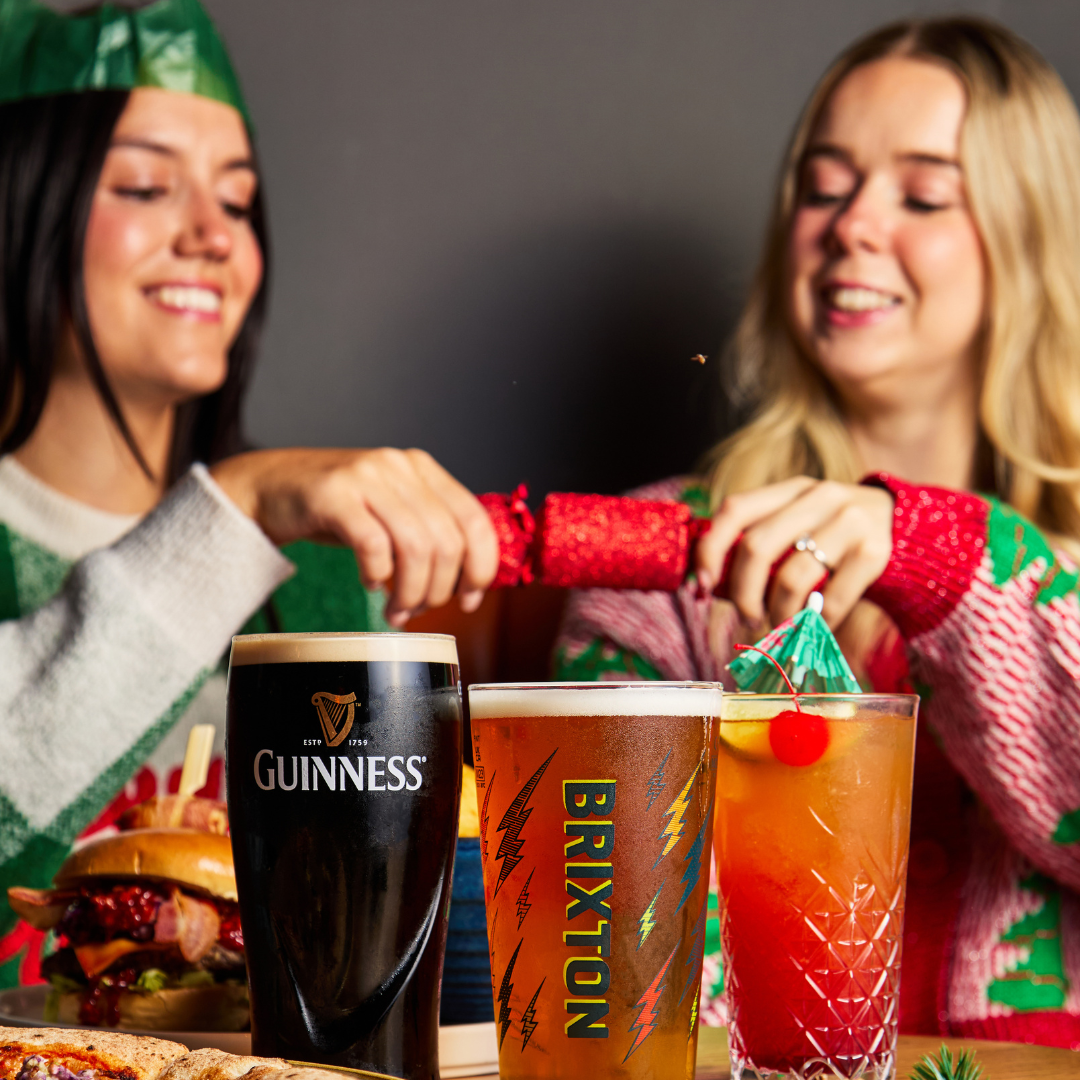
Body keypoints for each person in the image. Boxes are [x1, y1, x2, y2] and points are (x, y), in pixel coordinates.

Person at [556, 17, 1080, 1047]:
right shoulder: (664, 557)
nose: (851, 228)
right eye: (824, 186)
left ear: (1029, 237)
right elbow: (615, 921)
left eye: (924, 195)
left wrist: (939, 557)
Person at [0, 0, 498, 987]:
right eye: (145, 185)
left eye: (236, 202)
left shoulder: (320, 571)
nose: (212, 237)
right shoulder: (258, 510)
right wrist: (233, 506)